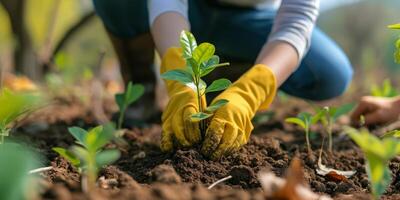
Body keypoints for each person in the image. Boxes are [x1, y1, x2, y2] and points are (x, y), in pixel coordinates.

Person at [93, 0, 353, 159]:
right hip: (188, 11)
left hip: (249, 22)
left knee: (330, 74)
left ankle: (227, 81)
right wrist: (181, 77)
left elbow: (297, 21)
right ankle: (140, 92)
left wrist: (253, 89)